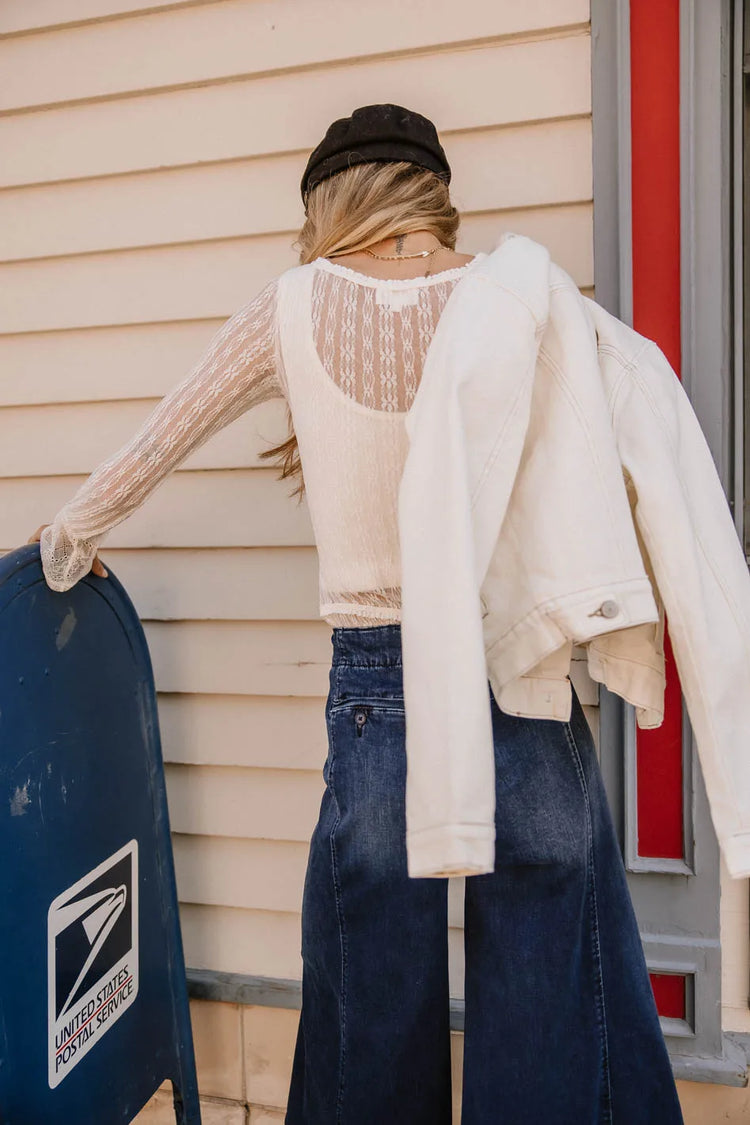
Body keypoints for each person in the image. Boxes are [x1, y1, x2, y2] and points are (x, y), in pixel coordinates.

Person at [26, 103, 685, 1124]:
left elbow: (160, 440)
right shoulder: (521, 301)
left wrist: (65, 542)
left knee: (369, 1020)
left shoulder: (292, 305)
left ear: (330, 202)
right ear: (432, 196)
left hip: (380, 697)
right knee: (556, 995)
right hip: (522, 678)